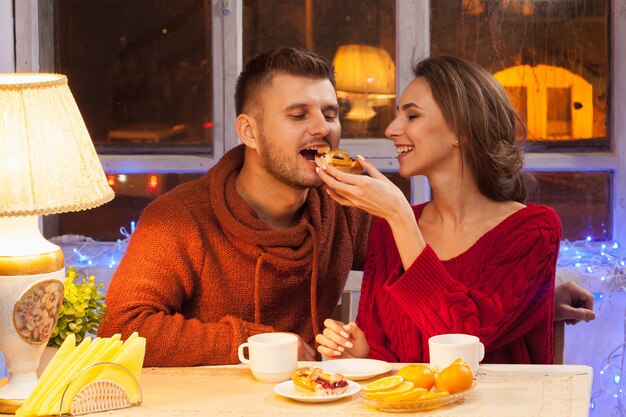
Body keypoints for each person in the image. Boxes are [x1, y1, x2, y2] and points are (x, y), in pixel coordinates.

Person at [98, 47, 373, 366]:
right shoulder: (178, 218)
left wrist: (396, 209)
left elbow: (426, 274)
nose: (322, 129)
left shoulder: (348, 206)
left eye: (329, 114)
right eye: (298, 115)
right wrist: (255, 346)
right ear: (249, 132)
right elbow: (119, 329)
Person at [315, 55, 568, 364]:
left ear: (460, 130)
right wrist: (362, 354)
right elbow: (386, 353)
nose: (392, 129)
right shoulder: (387, 231)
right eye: (398, 115)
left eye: (412, 116)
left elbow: (464, 343)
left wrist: (399, 215)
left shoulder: (534, 229)